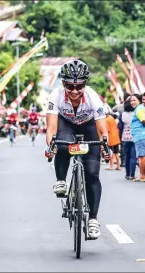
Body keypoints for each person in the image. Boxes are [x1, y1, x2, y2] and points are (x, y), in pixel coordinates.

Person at [45, 59, 110, 239]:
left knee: (92, 174)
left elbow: (102, 129)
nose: (74, 91)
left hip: (89, 127)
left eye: (79, 86)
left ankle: (93, 220)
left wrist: (105, 146)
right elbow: (51, 129)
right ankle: (60, 180)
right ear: (63, 83)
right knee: (62, 143)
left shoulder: (93, 97)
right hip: (66, 125)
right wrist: (51, 146)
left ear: (85, 84)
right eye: (69, 86)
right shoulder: (55, 96)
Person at [130, 94, 145, 182]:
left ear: (139, 100)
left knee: (142, 156)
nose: (132, 102)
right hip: (139, 135)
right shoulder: (139, 108)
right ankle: (142, 175)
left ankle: (142, 175)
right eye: (131, 100)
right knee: (141, 156)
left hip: (141, 135)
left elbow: (144, 120)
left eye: (134, 100)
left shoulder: (139, 108)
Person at [120, 96, 137, 180]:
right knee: (133, 156)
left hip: (125, 137)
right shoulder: (136, 113)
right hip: (134, 136)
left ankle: (127, 173)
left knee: (127, 156)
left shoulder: (123, 114)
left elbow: (120, 126)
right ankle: (132, 174)